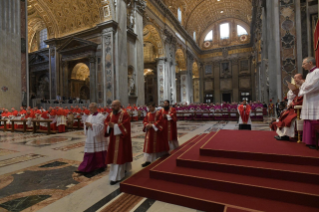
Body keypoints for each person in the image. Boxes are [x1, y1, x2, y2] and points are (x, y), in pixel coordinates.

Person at [104, 100, 133, 185]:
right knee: (115, 157)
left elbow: (126, 125)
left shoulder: (125, 114)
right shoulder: (111, 114)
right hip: (113, 138)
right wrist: (109, 126)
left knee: (120, 157)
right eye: (112, 106)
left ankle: (116, 176)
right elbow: (106, 122)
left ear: (119, 105)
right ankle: (118, 173)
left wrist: (116, 126)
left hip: (122, 139)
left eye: (115, 106)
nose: (112, 107)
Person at [75, 103, 108, 175]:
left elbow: (101, 127)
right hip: (90, 137)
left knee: (99, 153)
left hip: (98, 138)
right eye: (89, 108)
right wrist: (86, 126)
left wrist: (91, 125)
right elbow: (86, 125)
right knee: (88, 153)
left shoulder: (101, 116)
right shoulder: (89, 116)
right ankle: (85, 167)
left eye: (91, 108)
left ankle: (101, 166)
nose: (90, 109)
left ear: (96, 108)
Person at [270, 74, 304, 140]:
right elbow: (294, 101)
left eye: (294, 91)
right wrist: (290, 105)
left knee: (287, 119)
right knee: (283, 115)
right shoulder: (297, 95)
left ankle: (285, 136)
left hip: (297, 112)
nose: (293, 93)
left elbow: (300, 102)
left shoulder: (301, 95)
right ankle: (282, 135)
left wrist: (292, 104)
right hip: (292, 111)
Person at [297, 57, 319, 147]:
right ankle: (309, 141)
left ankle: (314, 142)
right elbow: (306, 85)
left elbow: (314, 86)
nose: (302, 66)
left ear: (310, 63)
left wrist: (303, 85)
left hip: (315, 99)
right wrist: (303, 85)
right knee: (308, 119)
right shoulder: (308, 74)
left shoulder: (317, 72)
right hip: (309, 99)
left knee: (314, 118)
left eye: (304, 63)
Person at [142, 103, 169, 167]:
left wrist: (153, 125)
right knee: (148, 146)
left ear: (154, 107)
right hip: (149, 132)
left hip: (156, 132)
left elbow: (161, 121)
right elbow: (144, 120)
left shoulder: (158, 113)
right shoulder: (148, 114)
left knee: (156, 145)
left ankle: (157, 158)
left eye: (151, 107)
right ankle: (148, 160)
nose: (150, 109)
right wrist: (146, 125)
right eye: (149, 107)